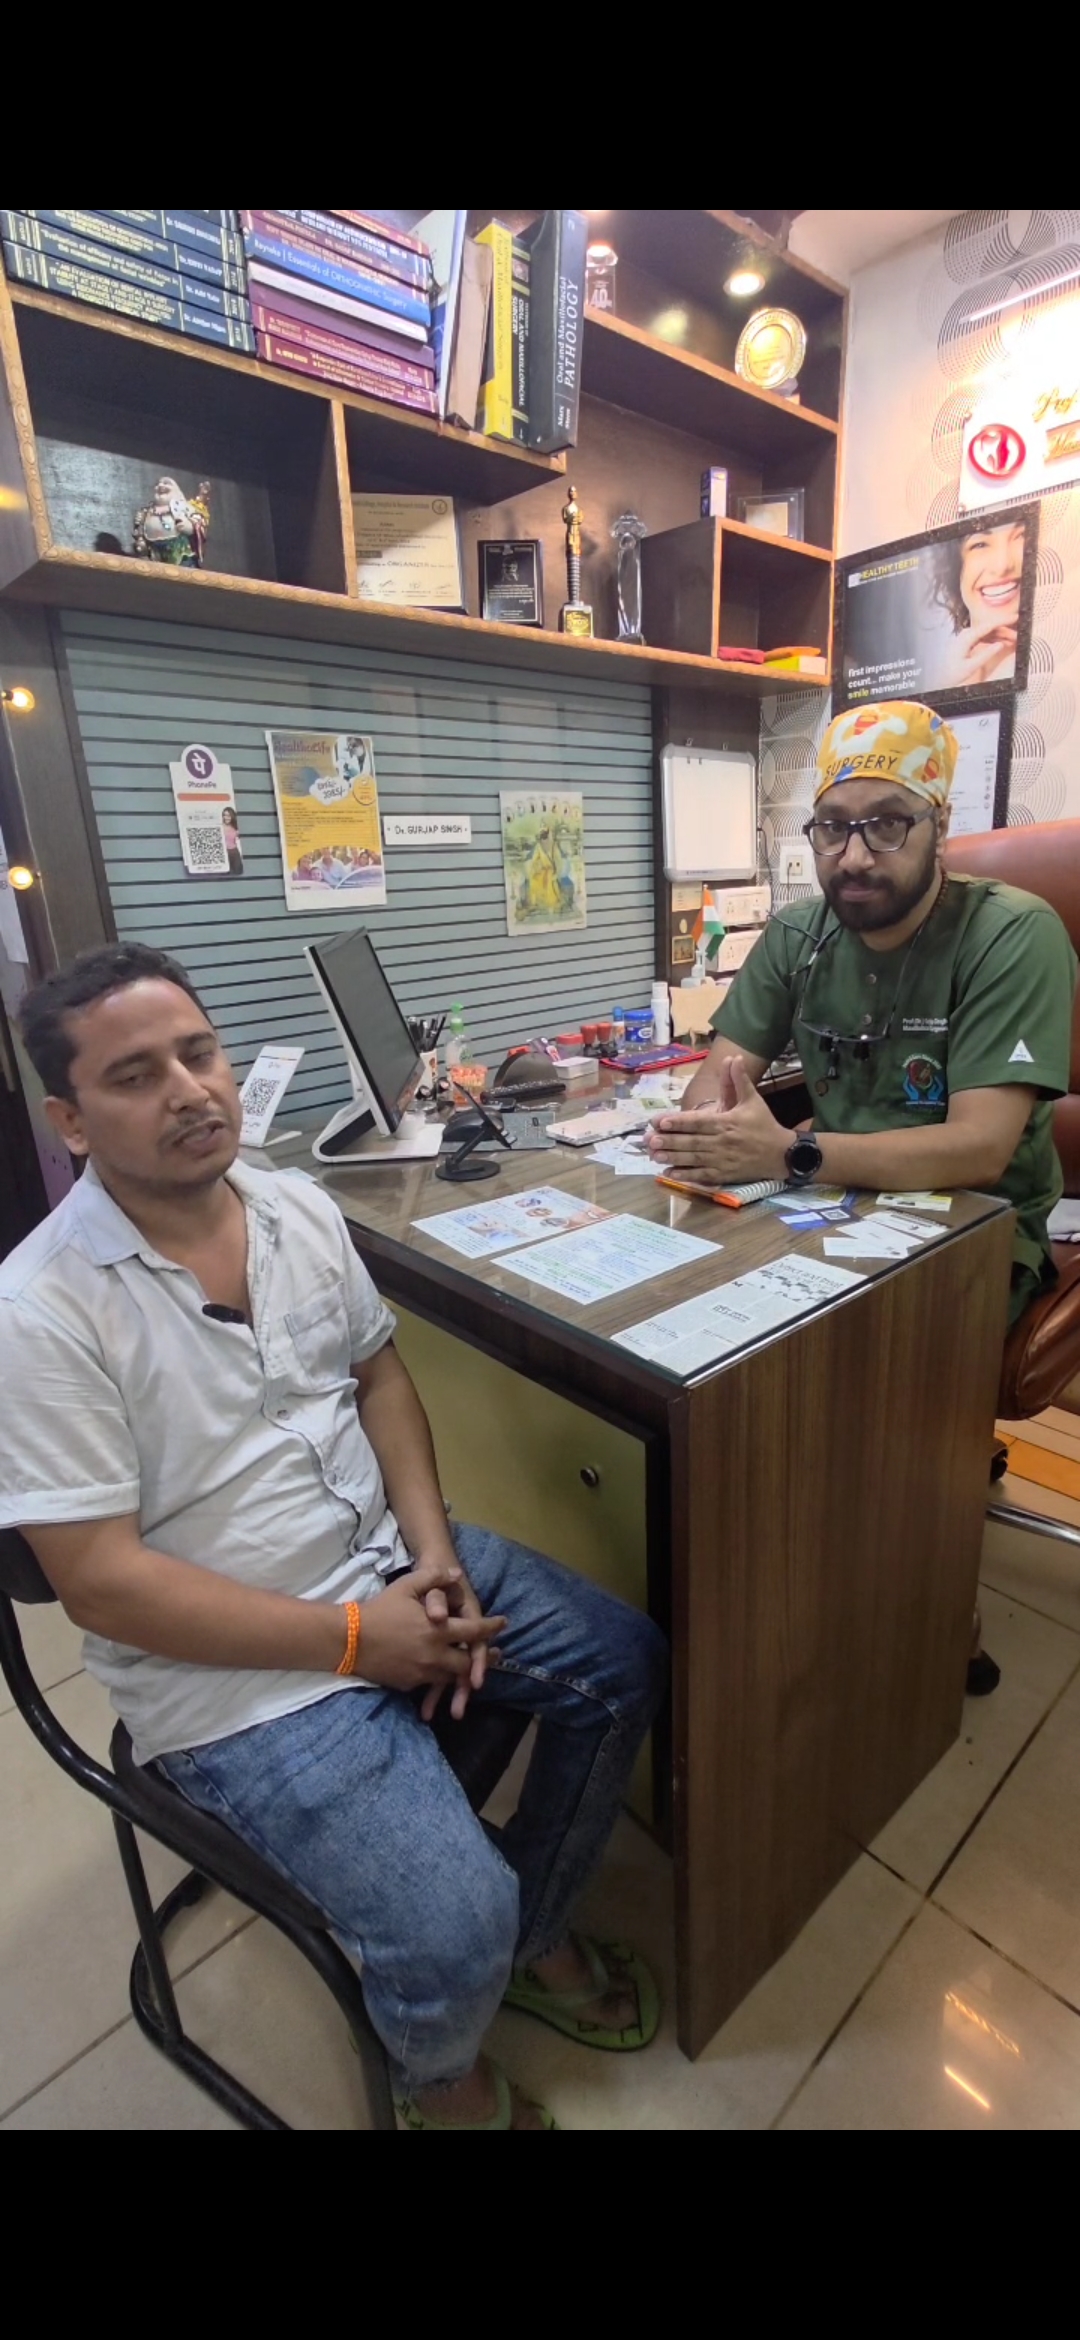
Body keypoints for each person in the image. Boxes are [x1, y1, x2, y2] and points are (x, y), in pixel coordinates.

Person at [0, 944, 666, 2131]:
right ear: (72, 1121)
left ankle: (532, 1934)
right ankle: (440, 2082)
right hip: (235, 1677)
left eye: (198, 1054)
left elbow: (379, 1378)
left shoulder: (295, 1206)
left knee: (621, 1663)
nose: (188, 1091)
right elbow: (101, 1586)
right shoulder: (39, 1314)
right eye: (136, 1076)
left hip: (387, 1566)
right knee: (454, 1920)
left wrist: (435, 1555)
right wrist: (360, 1640)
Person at [649, 698, 1077, 1694]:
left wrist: (793, 1154)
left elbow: (982, 1147)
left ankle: (916, 1594)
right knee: (701, 1332)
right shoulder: (801, 934)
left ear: (938, 825)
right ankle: (753, 1588)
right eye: (833, 827)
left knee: (844, 1380)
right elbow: (723, 1072)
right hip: (835, 1208)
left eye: (887, 824)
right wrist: (708, 1117)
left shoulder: (1012, 935)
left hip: (980, 1231)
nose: (853, 856)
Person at [926, 520, 1024, 690]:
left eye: (1021, 536)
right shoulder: (941, 678)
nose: (1002, 566)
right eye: (980, 545)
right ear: (954, 569)